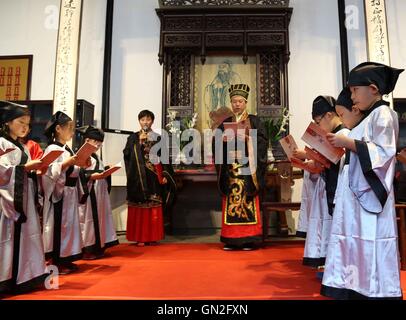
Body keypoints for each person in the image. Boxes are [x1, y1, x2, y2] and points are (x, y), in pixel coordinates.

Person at [322, 62, 404, 299]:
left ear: (373, 88)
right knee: (355, 242)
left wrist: (348, 143)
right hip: (356, 197)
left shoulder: (384, 114)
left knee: (371, 243)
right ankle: (356, 285)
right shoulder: (367, 118)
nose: (352, 96)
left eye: (355, 90)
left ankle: (375, 289)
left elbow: (385, 153)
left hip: (369, 195)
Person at [0, 101, 48, 294]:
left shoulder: (24, 147)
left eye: (28, 124)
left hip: (22, 196)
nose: (25, 128)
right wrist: (24, 169)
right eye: (21, 122)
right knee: (6, 237)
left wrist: (34, 171)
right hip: (6, 201)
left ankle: (24, 274)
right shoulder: (1, 143)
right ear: (8, 122)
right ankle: (6, 279)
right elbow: (3, 171)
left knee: (25, 236)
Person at [213, 84, 268, 251]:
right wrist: (221, 141)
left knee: (248, 201)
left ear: (245, 102)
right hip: (231, 170)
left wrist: (248, 138)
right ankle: (231, 239)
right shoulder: (225, 123)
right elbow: (216, 144)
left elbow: (263, 142)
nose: (237, 104)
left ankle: (249, 239)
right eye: (234, 101)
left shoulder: (255, 121)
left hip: (248, 170)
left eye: (240, 101)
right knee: (232, 203)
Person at [302, 96, 349, 269]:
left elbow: (344, 164)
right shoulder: (334, 135)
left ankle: (334, 263)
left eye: (318, 121)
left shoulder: (343, 134)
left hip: (338, 189)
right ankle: (328, 260)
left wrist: (317, 159)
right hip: (329, 184)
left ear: (330, 115)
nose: (318, 126)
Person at [41, 111, 87, 274]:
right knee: (59, 227)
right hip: (59, 194)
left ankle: (66, 258)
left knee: (68, 227)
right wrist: (68, 162)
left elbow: (71, 169)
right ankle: (57, 260)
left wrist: (81, 163)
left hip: (69, 193)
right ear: (58, 129)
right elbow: (49, 172)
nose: (72, 131)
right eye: (69, 128)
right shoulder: (52, 149)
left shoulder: (66, 148)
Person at [123, 110, 176, 246]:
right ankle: (139, 236)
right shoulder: (133, 138)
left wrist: (165, 174)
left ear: (152, 121)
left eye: (148, 119)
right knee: (139, 206)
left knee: (153, 205)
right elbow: (127, 154)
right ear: (139, 121)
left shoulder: (158, 137)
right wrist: (139, 144)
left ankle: (152, 236)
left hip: (153, 176)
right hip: (138, 177)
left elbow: (164, 157)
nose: (145, 122)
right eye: (142, 120)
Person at [77, 126, 119, 259]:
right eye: (96, 143)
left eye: (100, 144)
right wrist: (91, 176)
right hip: (88, 193)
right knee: (88, 221)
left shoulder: (95, 156)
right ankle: (87, 249)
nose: (98, 146)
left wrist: (107, 169)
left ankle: (98, 246)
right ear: (87, 140)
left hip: (98, 193)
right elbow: (79, 173)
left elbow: (98, 170)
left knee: (99, 219)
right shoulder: (81, 155)